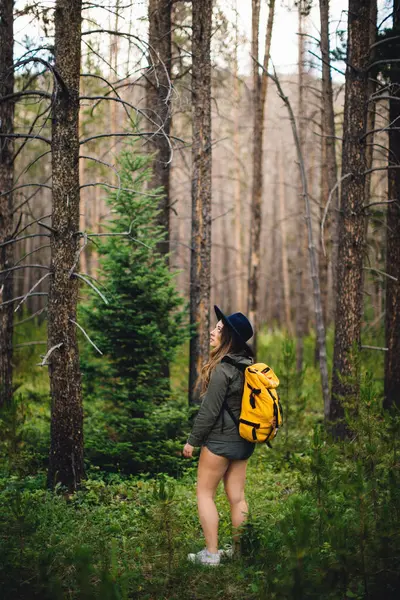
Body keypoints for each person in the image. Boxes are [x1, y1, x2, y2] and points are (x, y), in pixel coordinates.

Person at [183, 305, 255, 566]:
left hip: (220, 442)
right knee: (237, 497)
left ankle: (212, 555)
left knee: (204, 493)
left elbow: (209, 411)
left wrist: (193, 441)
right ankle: (238, 552)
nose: (213, 330)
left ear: (229, 337)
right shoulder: (250, 365)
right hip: (245, 441)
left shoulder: (223, 369)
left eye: (219, 329)